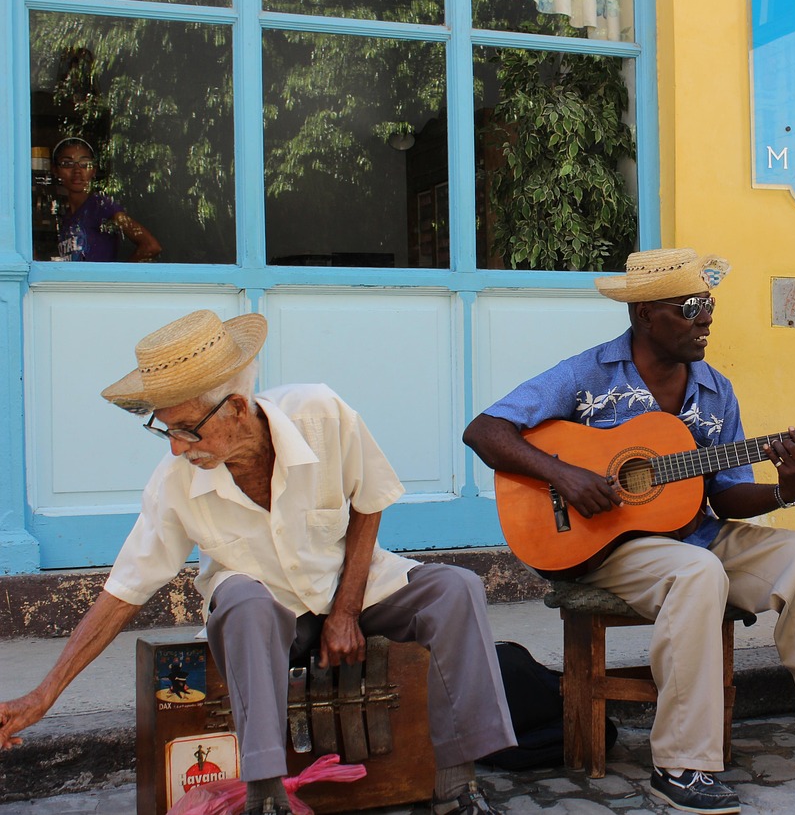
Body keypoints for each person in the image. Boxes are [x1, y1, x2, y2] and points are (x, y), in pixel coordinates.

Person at [0, 310, 515, 815]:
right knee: (242, 598)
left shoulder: (322, 414)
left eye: (187, 429)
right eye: (165, 430)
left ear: (238, 409)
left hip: (349, 590)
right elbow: (125, 589)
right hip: (267, 619)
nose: (177, 447)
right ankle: (266, 797)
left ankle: (456, 789)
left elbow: (370, 498)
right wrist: (43, 695)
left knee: (457, 589)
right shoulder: (175, 481)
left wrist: (345, 610)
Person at [464, 249, 795, 815]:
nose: (705, 319)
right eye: (689, 307)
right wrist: (564, 474)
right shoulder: (588, 374)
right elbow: (485, 429)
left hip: (693, 533)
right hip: (607, 546)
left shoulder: (716, 391)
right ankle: (681, 764)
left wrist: (786, 488)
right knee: (697, 572)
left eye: (709, 305)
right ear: (645, 315)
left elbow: (725, 494)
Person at [51, 137, 161, 262]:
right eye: (67, 164)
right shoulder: (66, 217)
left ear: (93, 170)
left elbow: (151, 246)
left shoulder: (101, 205)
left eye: (85, 164)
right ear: (55, 170)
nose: (77, 171)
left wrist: (117, 277)